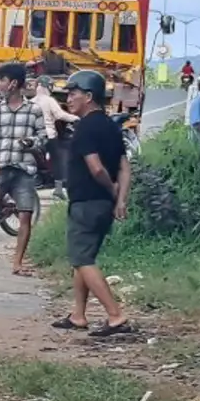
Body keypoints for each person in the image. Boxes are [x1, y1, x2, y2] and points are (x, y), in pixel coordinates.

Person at [49, 70, 133, 336]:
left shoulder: (85, 127)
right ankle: (78, 315)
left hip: (86, 203)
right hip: (103, 207)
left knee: (82, 259)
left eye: (73, 94)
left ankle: (115, 316)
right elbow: (124, 167)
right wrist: (119, 200)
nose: (69, 99)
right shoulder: (110, 126)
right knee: (83, 258)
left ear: (89, 96)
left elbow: (96, 168)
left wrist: (110, 188)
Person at [0, 61, 43, 274]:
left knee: (25, 215)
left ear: (13, 84)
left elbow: (43, 139)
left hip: (24, 171)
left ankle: (18, 262)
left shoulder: (34, 110)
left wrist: (31, 143)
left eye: (1, 80)